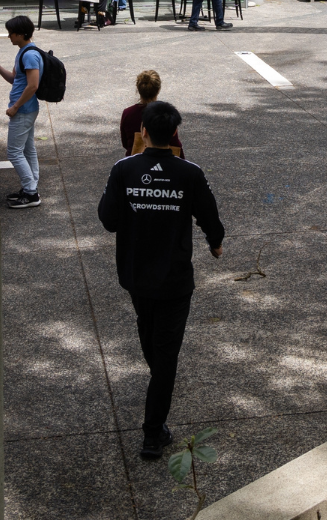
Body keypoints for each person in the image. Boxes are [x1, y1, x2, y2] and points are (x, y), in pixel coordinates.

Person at [97, 101, 225, 460]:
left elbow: (108, 219)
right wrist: (216, 243)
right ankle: (154, 425)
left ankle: (153, 429)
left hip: (136, 276)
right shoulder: (189, 173)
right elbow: (210, 216)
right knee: (162, 352)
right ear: (174, 134)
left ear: (143, 132)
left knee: (154, 340)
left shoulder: (124, 170)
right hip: (173, 279)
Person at [0, 15, 43, 209]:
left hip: (24, 110)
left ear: (21, 34)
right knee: (27, 150)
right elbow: (15, 79)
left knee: (14, 153)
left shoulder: (30, 55)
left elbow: (33, 86)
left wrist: (15, 107)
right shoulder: (23, 52)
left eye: (12, 33)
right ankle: (30, 188)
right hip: (26, 109)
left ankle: (31, 193)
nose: (9, 36)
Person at [120, 69, 183, 157]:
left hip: (134, 162)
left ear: (138, 89)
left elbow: (125, 143)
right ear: (158, 89)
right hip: (163, 162)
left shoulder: (128, 113)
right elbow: (175, 144)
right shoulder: (165, 113)